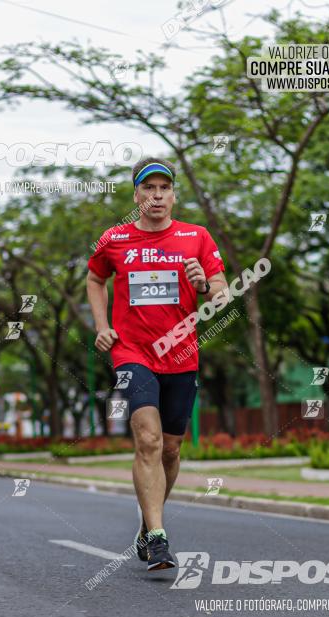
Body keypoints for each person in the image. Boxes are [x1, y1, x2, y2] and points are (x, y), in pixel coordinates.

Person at [86, 157, 226, 571]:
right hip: (132, 352)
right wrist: (101, 325)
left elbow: (221, 292)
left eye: (164, 188)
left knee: (170, 448)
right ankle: (160, 537)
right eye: (149, 188)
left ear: (174, 194)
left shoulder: (196, 236)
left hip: (181, 354)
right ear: (137, 195)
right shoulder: (114, 239)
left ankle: (147, 526)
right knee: (146, 439)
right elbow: (95, 278)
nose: (157, 195)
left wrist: (205, 285)